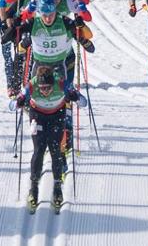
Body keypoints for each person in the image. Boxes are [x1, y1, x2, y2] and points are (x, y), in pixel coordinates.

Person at [18, 63, 85, 213]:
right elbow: (17, 100)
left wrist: (75, 96)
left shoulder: (61, 83)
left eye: (48, 87)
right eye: (42, 88)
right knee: (39, 150)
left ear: (53, 84)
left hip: (56, 115)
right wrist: (19, 101)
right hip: (38, 116)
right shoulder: (32, 85)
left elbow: (82, 100)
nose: (46, 91)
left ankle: (57, 187)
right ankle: (33, 188)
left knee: (55, 150)